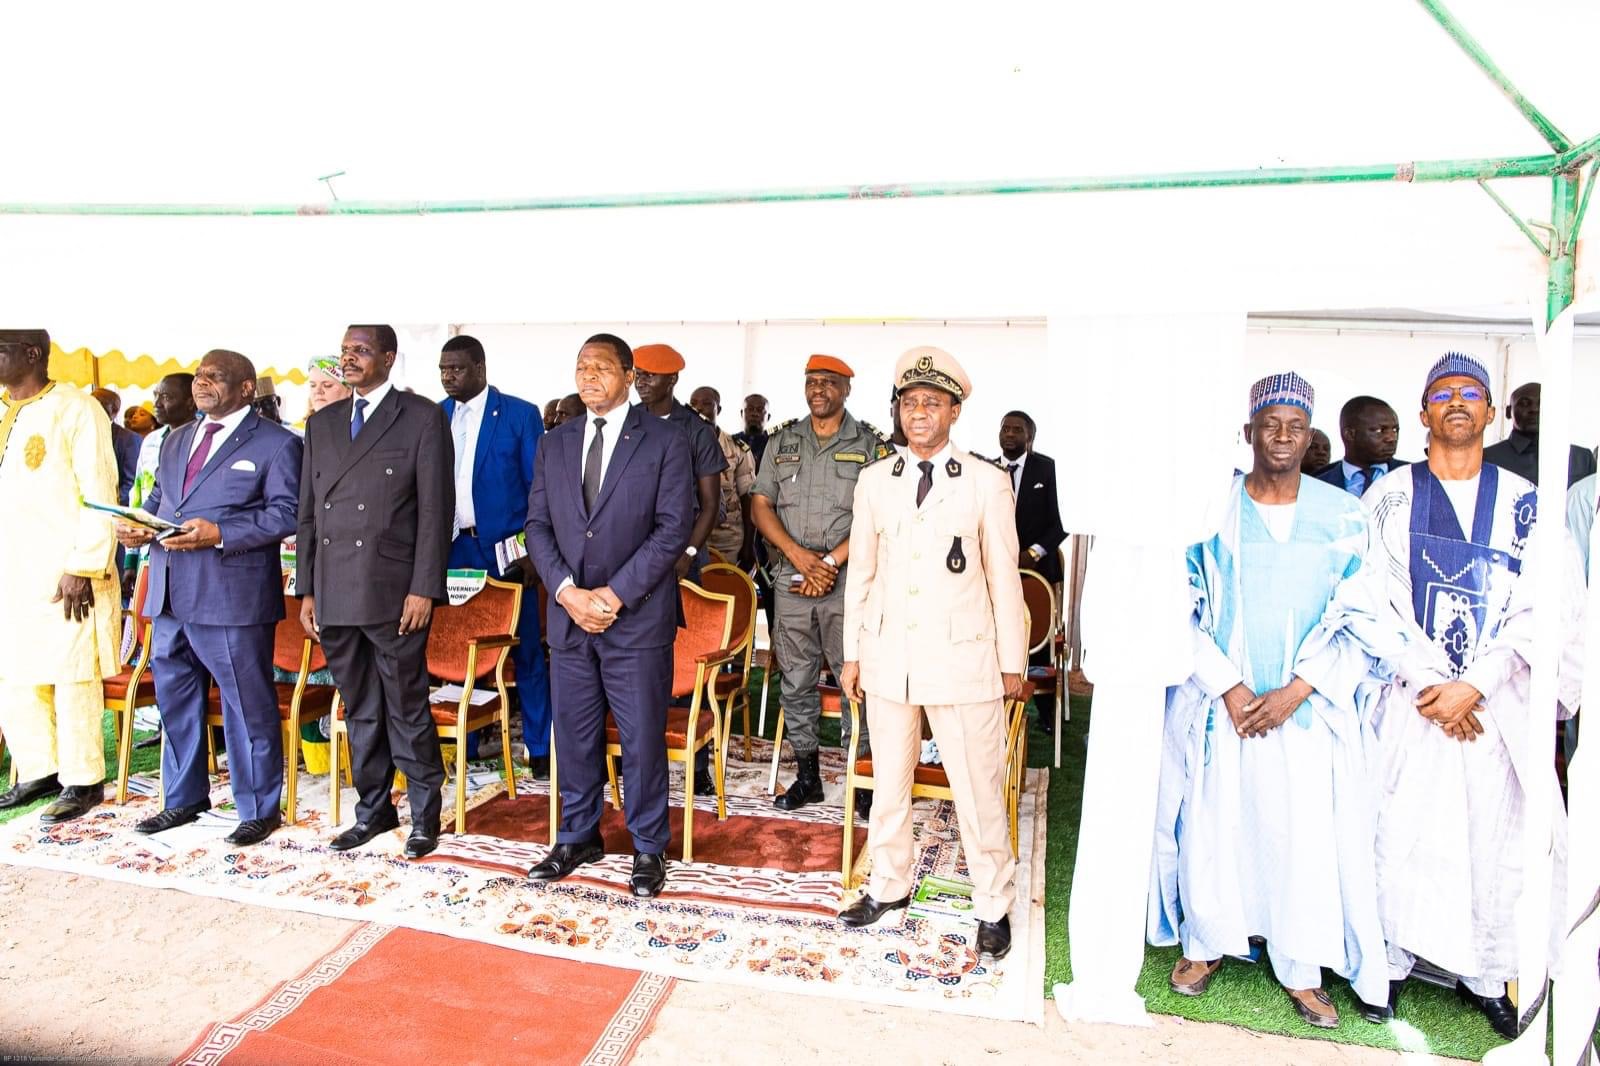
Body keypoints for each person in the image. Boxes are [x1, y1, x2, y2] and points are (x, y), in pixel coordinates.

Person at [1147, 372, 1399, 1029]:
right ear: (1248, 432)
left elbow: (1361, 614)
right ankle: (1205, 947)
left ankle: (1300, 965)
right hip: (1221, 704)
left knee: (1301, 837)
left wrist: (1297, 688)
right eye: (1270, 424)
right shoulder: (1211, 510)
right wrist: (1229, 686)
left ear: (1311, 435)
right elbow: (1181, 604)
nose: (1283, 436)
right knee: (1216, 824)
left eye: (1295, 425)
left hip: (1306, 708)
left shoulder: (1343, 515)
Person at [1364, 352, 1582, 1039]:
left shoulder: (1528, 503)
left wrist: (1476, 684)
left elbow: (1551, 604)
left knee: (1497, 839)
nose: (1457, 402)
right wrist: (1434, 683)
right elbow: (1372, 600)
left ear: (1491, 414)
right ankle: (1388, 964)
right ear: (1423, 412)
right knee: (1397, 827)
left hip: (1496, 704)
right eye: (1442, 393)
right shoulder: (1390, 498)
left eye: (1471, 394)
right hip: (1414, 701)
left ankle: (1488, 975)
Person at [837, 345, 1025, 962]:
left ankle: (992, 902)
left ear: (954, 412)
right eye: (910, 402)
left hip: (964, 659)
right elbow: (861, 571)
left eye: (932, 403)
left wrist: (1012, 661)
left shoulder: (986, 482)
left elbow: (1005, 577)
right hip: (890, 656)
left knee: (976, 787)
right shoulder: (874, 480)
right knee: (888, 784)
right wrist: (853, 652)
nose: (919, 413)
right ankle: (889, 887)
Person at [523, 333, 694, 899]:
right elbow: (539, 525)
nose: (588, 376)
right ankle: (577, 834)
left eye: (600, 367)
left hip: (636, 619)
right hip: (570, 617)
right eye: (580, 366)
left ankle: (648, 847)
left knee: (642, 737)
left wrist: (615, 595)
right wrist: (568, 592)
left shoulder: (666, 440)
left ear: (627, 374)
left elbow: (673, 528)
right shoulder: (557, 441)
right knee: (573, 733)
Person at [114, 350, 303, 846]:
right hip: (171, 591)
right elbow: (161, 503)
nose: (201, 384)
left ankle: (259, 807)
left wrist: (220, 532)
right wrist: (139, 526)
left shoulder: (278, 443)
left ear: (245, 388)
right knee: (175, 698)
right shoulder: (176, 440)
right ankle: (183, 798)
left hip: (230, 596)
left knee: (245, 703)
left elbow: (287, 513)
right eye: (199, 376)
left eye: (215, 377)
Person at [297, 324, 455, 859]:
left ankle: (425, 816)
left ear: (389, 357)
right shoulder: (323, 423)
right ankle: (373, 810)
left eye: (361, 351)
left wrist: (424, 589)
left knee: (405, 705)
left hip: (393, 592)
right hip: (335, 588)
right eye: (345, 351)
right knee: (359, 706)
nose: (350, 359)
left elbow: (436, 511)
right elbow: (308, 514)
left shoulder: (420, 417)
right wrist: (307, 589)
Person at [751, 355, 890, 816]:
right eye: (811, 381)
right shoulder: (782, 441)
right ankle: (808, 776)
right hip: (792, 581)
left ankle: (863, 780)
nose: (818, 389)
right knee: (796, 681)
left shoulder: (869, 445)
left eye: (829, 382)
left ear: (847, 389)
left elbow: (878, 517)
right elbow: (761, 505)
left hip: (847, 583)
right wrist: (799, 556)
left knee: (857, 682)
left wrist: (827, 562)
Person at [0, 329, 120, 823]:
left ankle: (83, 778)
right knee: (15, 672)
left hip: (63, 569)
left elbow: (100, 491)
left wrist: (84, 564)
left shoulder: (77, 408)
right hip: (12, 568)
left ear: (32, 354)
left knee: (73, 675)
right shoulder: (4, 411)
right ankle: (37, 769)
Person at [438, 335, 553, 776]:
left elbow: (537, 491)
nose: (449, 377)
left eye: (458, 369)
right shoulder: (436, 414)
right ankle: (463, 743)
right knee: (458, 650)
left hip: (507, 552)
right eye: (443, 370)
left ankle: (540, 748)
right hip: (452, 549)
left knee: (523, 651)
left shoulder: (520, 415)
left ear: (481, 369)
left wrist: (531, 552)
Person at [631, 345, 725, 579]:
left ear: (672, 378)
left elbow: (710, 505)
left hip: (680, 552)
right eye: (638, 374)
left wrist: (688, 553)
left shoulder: (697, 431)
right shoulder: (627, 422)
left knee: (682, 615)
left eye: (650, 375)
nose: (641, 382)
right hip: (632, 549)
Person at [689, 385, 757, 567]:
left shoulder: (736, 448)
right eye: (693, 403)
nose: (698, 408)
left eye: (706, 403)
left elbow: (748, 499)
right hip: (690, 537)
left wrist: (749, 545)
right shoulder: (679, 442)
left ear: (717, 409)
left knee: (725, 591)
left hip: (727, 540)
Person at [1483, 381, 1597, 487]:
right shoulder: (1487, 458)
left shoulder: (1582, 458)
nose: (1535, 409)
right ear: (1508, 412)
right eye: (1524, 403)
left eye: (1543, 402)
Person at [998, 410, 1066, 583]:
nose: (1010, 434)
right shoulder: (986, 470)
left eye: (1017, 430)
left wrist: (1034, 553)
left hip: (1038, 570)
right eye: (1005, 429)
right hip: (996, 569)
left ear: (1030, 437)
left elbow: (1062, 522)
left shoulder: (1049, 469)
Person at [1312, 396, 1407, 495]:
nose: (1392, 438)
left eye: (1395, 430)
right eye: (1380, 430)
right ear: (1350, 434)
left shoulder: (1415, 475)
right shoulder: (1316, 486)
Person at [132, 373, 197, 510]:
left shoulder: (203, 440)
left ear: (190, 402)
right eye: (155, 395)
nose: (156, 403)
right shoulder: (151, 440)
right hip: (148, 523)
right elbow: (139, 484)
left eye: (166, 397)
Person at [93, 387, 140, 504]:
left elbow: (131, 480)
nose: (93, 407)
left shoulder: (128, 438)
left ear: (114, 411)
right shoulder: (82, 433)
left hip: (114, 508)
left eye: (100, 403)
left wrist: (114, 504)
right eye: (91, 402)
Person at [299, 356, 351, 429]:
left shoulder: (360, 429)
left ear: (349, 390)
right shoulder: (297, 435)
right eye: (313, 385)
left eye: (327, 385)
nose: (318, 391)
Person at [733, 393, 770, 470]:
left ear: (768, 417)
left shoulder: (774, 443)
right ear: (741, 413)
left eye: (760, 410)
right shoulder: (730, 441)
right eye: (750, 409)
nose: (754, 414)